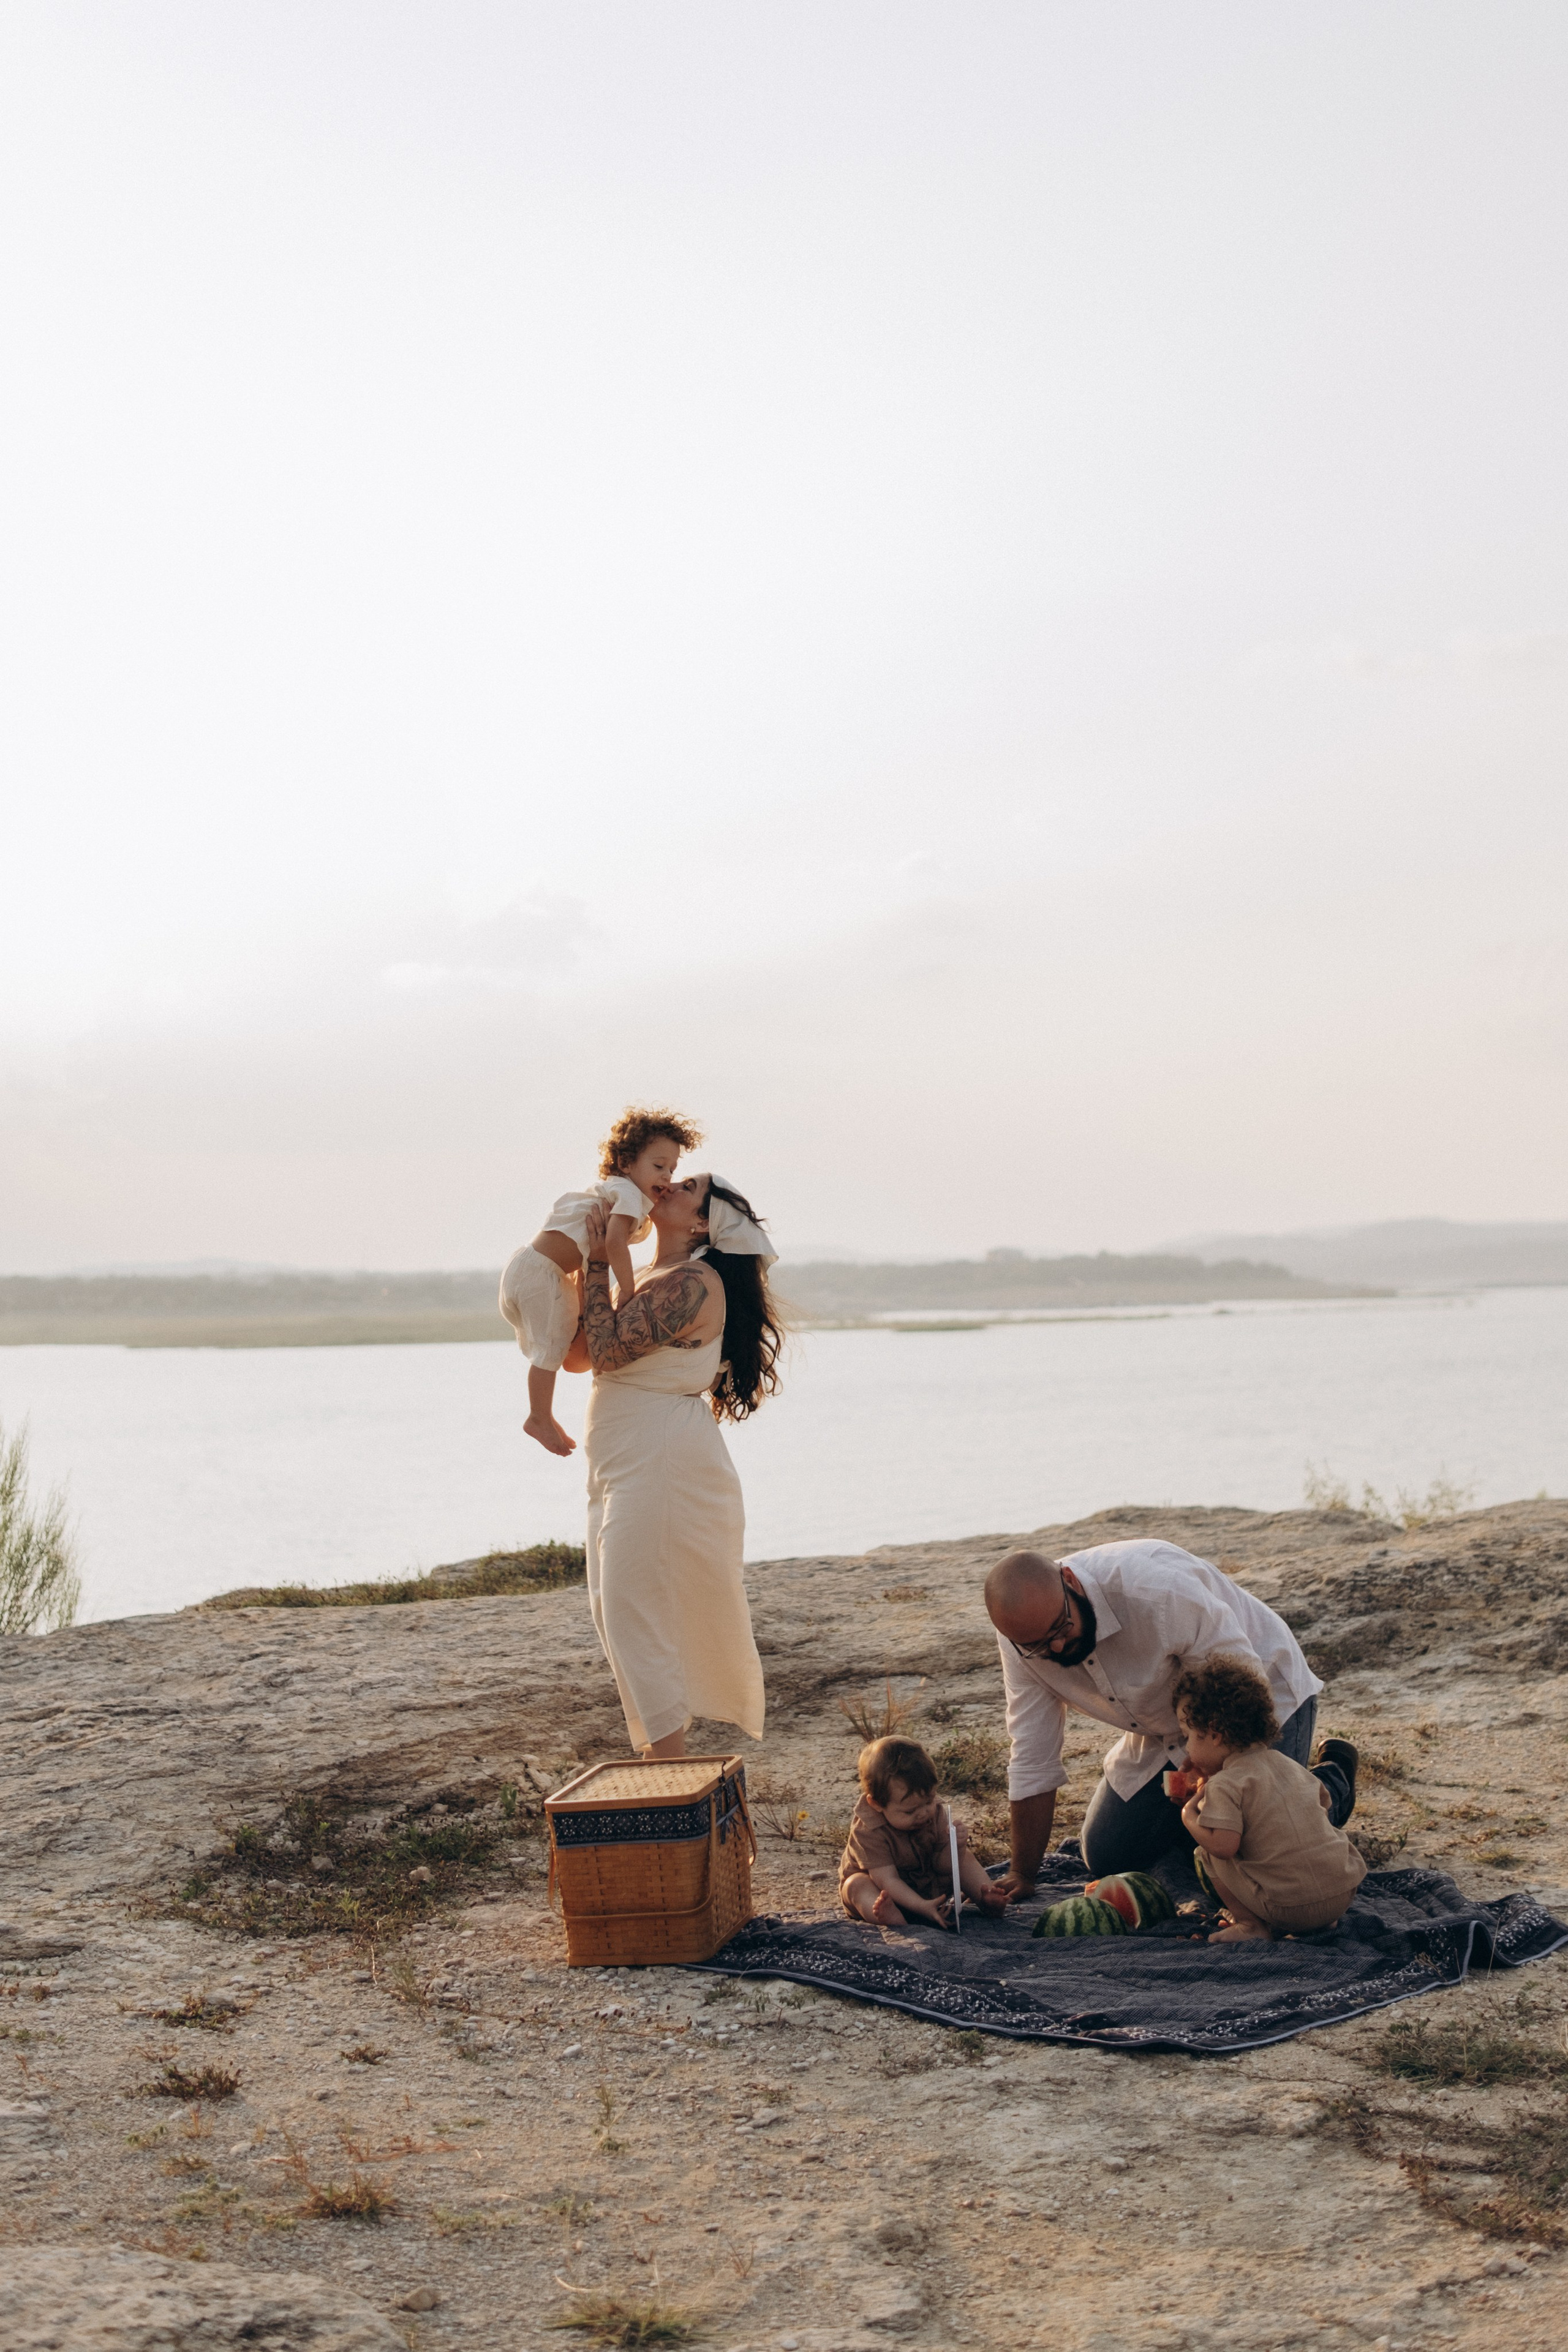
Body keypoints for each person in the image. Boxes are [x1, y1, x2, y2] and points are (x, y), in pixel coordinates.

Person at [982, 1539, 1359, 1894]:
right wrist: (1021, 1873)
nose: (1058, 1647)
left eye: (1060, 1629)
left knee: (1264, 1847)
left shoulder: (1156, 1591)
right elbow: (1033, 1754)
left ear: (1070, 1581)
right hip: (1166, 1724)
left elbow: (1240, 1691)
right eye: (1038, 1646)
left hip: (1256, 1696)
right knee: (1108, 1856)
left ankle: (1331, 1781)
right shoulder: (1021, 1642)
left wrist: (1206, 1773)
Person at [575, 1170, 782, 1759]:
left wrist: (596, 1265)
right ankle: (662, 1763)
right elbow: (582, 1353)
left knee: (632, 1609)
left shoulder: (694, 1282)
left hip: (660, 1460)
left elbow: (610, 1351)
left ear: (701, 1224)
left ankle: (667, 1775)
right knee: (611, 1610)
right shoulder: (647, 1275)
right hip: (623, 1457)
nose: (667, 1185)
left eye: (687, 1187)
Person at [498, 1106, 703, 1457]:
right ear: (625, 1163)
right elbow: (613, 1244)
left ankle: (542, 1415)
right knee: (549, 1348)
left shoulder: (619, 1193)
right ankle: (538, 1417)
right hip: (542, 1275)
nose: (667, 1177)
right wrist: (626, 1289)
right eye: (658, 1167)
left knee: (557, 1345)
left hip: (534, 1270)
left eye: (672, 1169)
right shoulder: (627, 1195)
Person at [1172, 1655, 1366, 1941]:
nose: (1186, 1747)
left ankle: (1251, 1926)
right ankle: (1322, 1922)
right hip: (1343, 1896)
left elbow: (1224, 1846)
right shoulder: (1287, 1764)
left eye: (1187, 1735)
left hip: (1289, 1911)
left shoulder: (1226, 1784)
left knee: (1208, 1854)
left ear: (1214, 1734)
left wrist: (1189, 1815)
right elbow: (1323, 1805)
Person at [839, 1736, 1011, 1927]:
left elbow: (944, 1866)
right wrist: (921, 1906)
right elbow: (887, 1880)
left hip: (928, 1886)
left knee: (964, 1858)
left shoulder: (933, 1812)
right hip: (888, 1892)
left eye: (929, 1801)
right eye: (910, 1811)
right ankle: (891, 1918)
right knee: (855, 1885)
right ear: (877, 1804)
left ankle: (986, 1897)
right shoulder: (868, 1830)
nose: (923, 1814)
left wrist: (958, 1847)